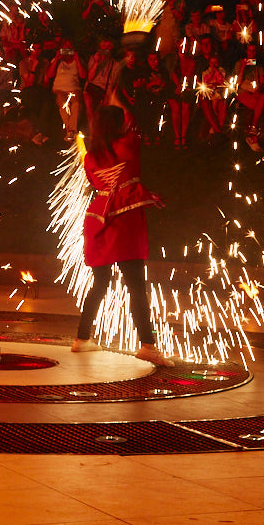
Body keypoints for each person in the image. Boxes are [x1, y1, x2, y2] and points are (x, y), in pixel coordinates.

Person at [71, 104, 170, 366]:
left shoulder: (90, 156)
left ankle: (82, 339)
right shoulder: (128, 144)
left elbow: (102, 185)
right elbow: (133, 122)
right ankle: (148, 346)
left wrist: (145, 194)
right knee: (136, 285)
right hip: (123, 221)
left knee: (100, 282)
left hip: (98, 220)